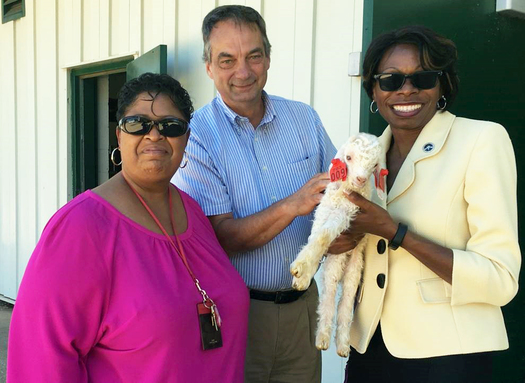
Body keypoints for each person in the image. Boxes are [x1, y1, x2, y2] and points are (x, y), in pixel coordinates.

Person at [7, 73, 249, 383]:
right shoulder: (80, 228)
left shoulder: (194, 212)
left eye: (170, 126)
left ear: (186, 139)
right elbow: (39, 359)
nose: (154, 135)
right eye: (138, 123)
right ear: (119, 135)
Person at [172, 5, 343, 383]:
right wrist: (293, 205)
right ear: (209, 67)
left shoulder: (304, 119)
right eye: (227, 60)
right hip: (236, 312)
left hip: (302, 308)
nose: (243, 71)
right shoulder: (196, 135)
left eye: (253, 55)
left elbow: (336, 200)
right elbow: (222, 236)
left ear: (268, 57)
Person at [341, 25, 521, 382]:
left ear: (442, 87)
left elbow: (500, 279)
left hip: (448, 357)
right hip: (369, 351)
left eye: (422, 78)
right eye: (391, 81)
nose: (406, 90)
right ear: (373, 91)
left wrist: (395, 232)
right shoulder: (364, 156)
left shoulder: (482, 140)